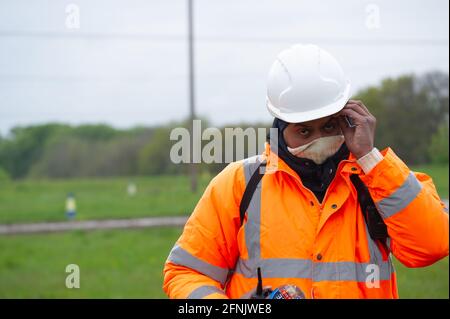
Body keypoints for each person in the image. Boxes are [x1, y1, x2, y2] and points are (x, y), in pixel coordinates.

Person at [163, 44, 449, 299]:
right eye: (304, 130)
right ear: (280, 127)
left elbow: (432, 245)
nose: (318, 139)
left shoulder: (379, 178)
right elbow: (185, 272)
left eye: (328, 127)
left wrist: (370, 159)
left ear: (347, 119)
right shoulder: (239, 183)